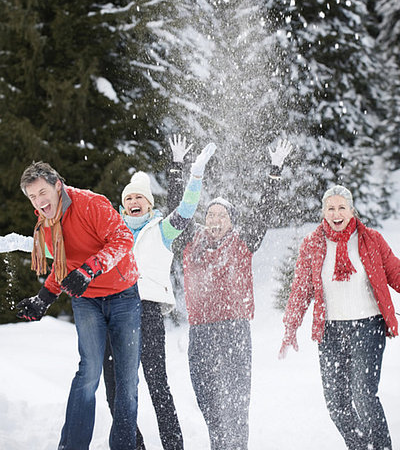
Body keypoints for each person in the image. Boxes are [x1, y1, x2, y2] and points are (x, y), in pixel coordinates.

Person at [168, 138, 293, 450]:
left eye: (221, 215)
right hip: (199, 332)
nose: (214, 219)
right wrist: (177, 167)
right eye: (210, 215)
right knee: (207, 400)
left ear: (232, 222)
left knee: (235, 404)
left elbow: (263, 212)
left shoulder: (243, 242)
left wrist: (274, 171)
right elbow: (177, 209)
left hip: (233, 330)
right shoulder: (189, 241)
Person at [16, 161, 141, 450]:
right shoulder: (47, 224)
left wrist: (90, 270)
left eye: (42, 192)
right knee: (88, 372)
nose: (39, 201)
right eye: (33, 197)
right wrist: (43, 298)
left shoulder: (89, 204)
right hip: (86, 301)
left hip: (123, 296)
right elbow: (63, 267)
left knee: (126, 380)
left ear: (57, 185)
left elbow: (123, 239)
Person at [103, 139, 216, 450]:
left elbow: (187, 210)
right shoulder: (110, 235)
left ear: (149, 204)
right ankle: (134, 445)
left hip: (147, 313)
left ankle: (173, 446)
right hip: (113, 314)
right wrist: (23, 243)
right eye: (129, 198)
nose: (134, 201)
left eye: (140, 197)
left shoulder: (161, 230)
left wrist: (194, 175)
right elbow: (72, 250)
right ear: (123, 204)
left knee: (156, 385)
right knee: (114, 389)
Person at [279, 185, 400, 450]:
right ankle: (359, 446)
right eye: (330, 208)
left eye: (341, 207)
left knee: (364, 396)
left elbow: (395, 272)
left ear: (351, 210)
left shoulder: (371, 240)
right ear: (323, 212)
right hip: (331, 332)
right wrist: (290, 326)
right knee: (337, 403)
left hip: (368, 327)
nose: (336, 213)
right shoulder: (313, 244)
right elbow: (300, 288)